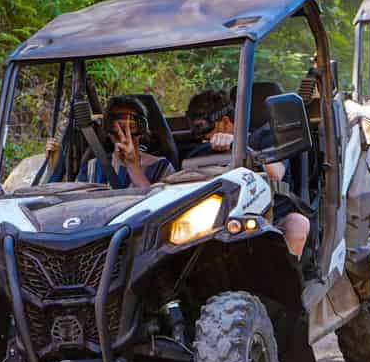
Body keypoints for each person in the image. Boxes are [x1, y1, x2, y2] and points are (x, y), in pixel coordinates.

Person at [184, 89, 311, 259]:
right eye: (195, 129)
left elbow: (275, 174)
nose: (201, 137)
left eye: (203, 128)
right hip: (215, 219)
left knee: (298, 224)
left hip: (268, 217)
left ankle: (283, 281)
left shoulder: (263, 138)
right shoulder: (199, 151)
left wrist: (238, 145)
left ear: (225, 121)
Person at [46, 95, 174, 188]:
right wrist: (54, 165)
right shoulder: (92, 168)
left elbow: (160, 211)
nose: (124, 135)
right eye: (117, 128)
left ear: (142, 130)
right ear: (108, 130)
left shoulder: (162, 168)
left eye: (131, 127)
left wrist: (133, 165)